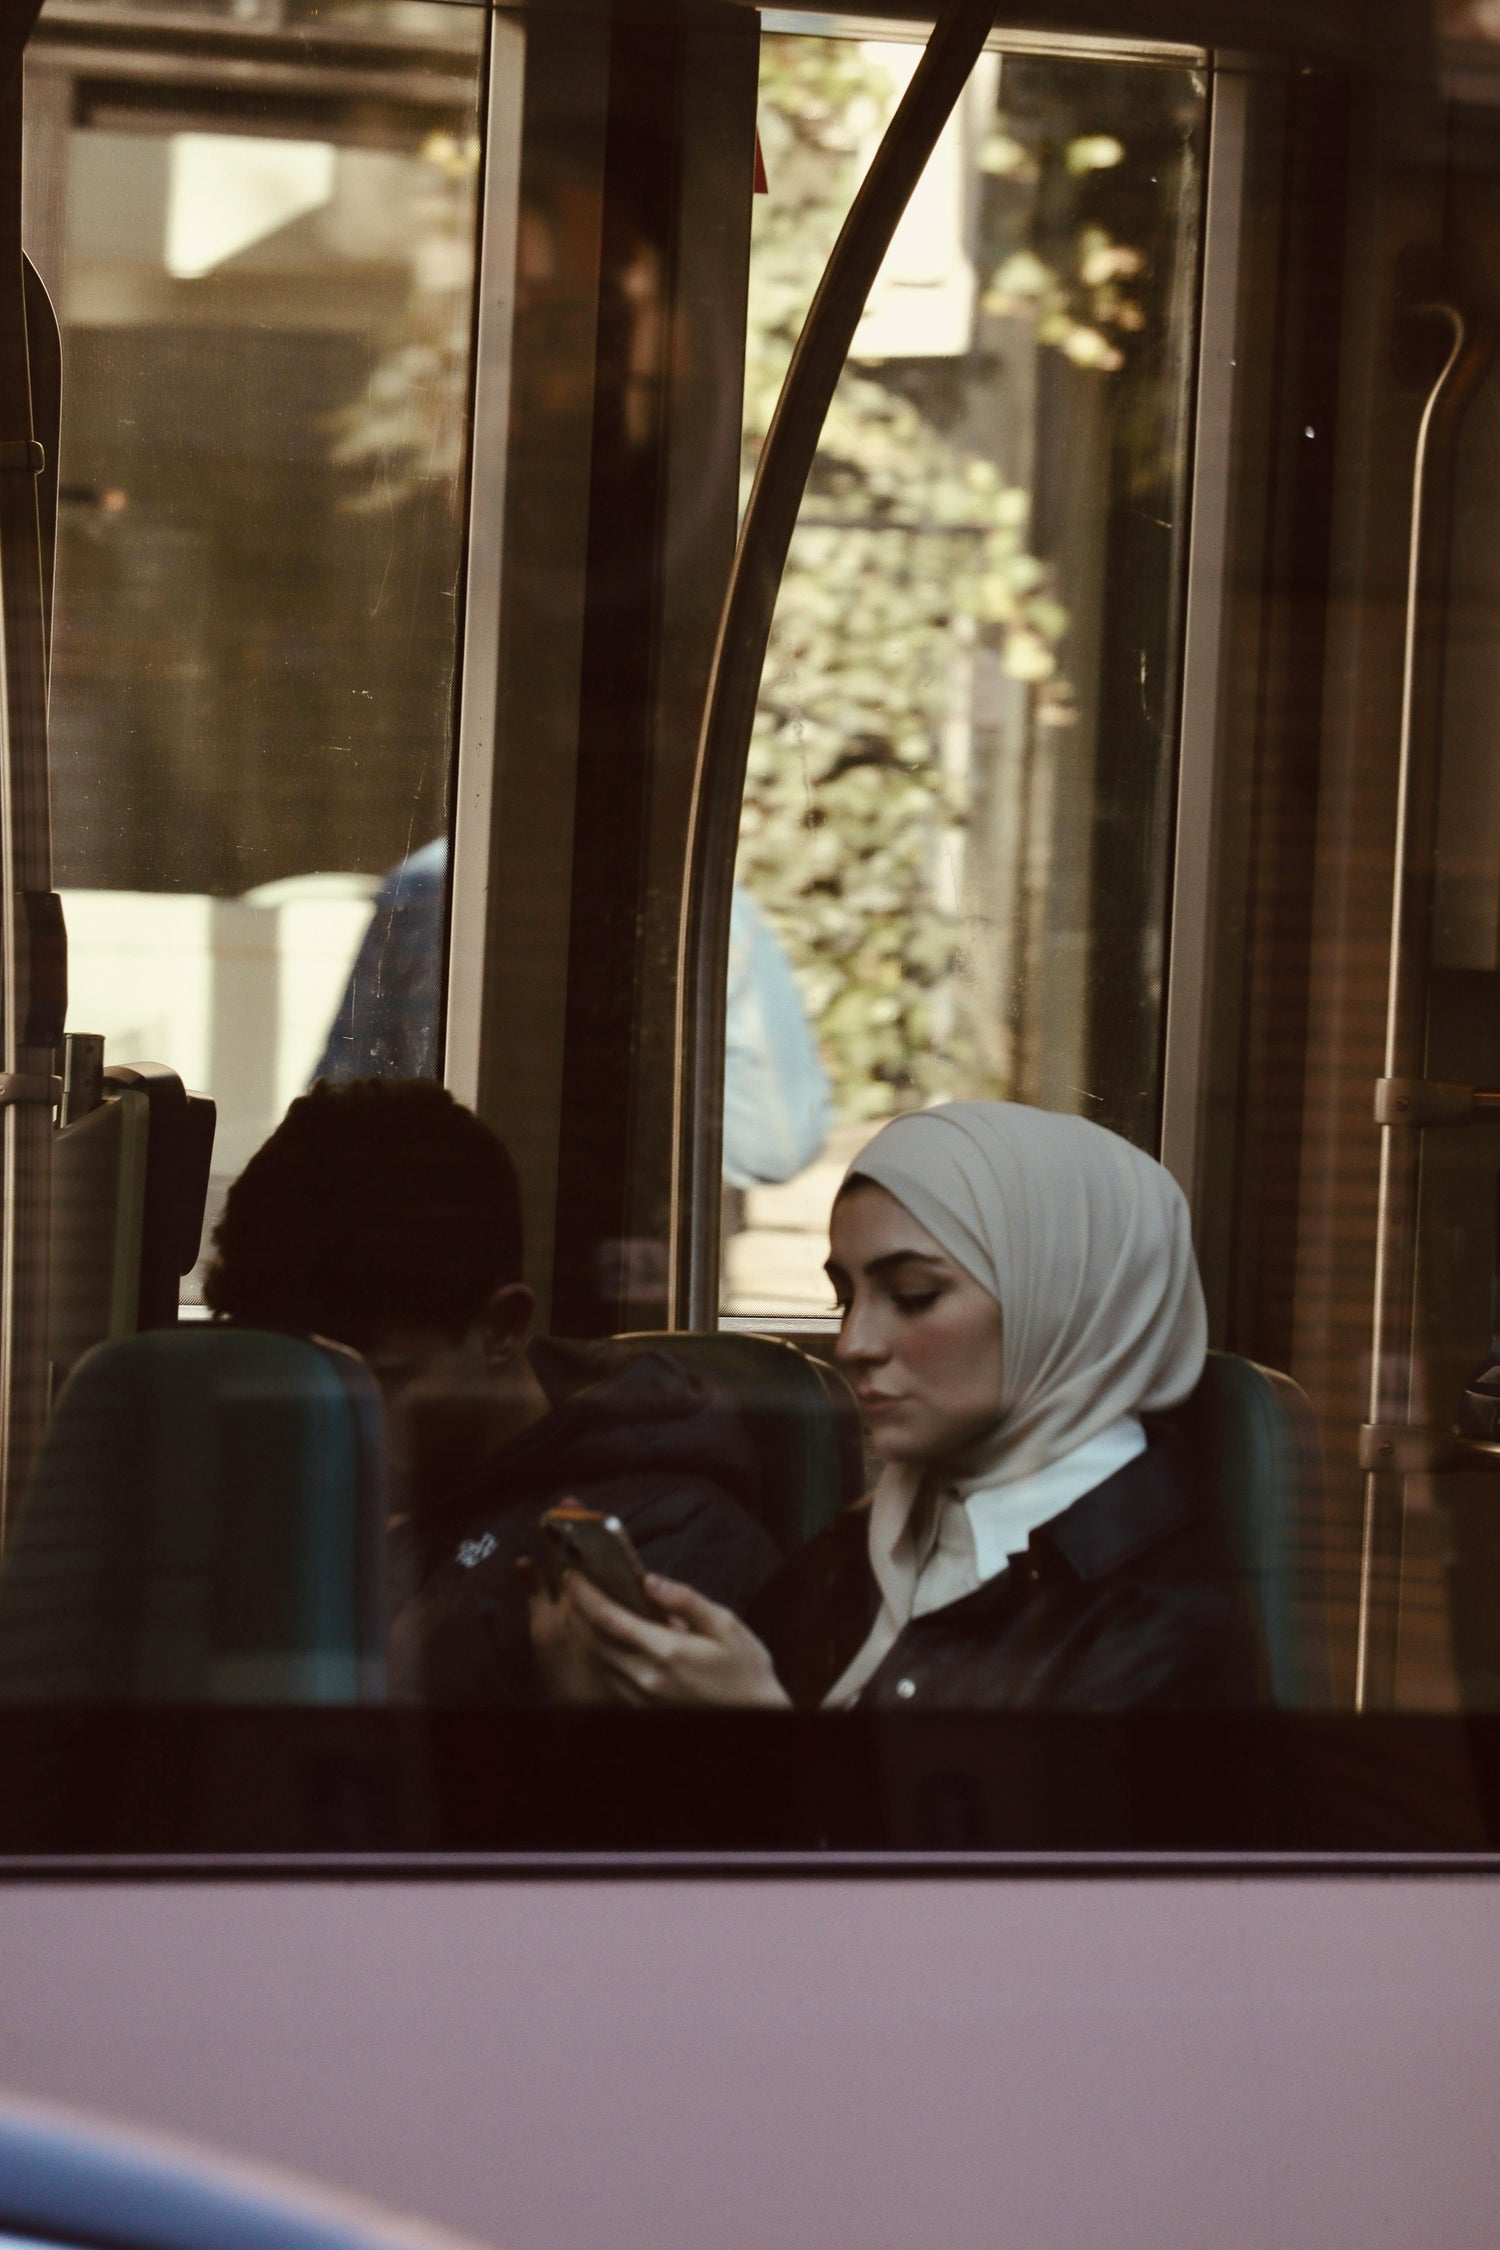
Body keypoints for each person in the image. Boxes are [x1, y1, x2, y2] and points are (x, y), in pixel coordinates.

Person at [526, 1100, 1266, 1711]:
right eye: (844, 1298)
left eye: (913, 1295)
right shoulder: (868, 1547)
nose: (853, 1344)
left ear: (1065, 1303)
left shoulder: (1169, 1619)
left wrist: (756, 1740)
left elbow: (991, 1886)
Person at [201, 1079, 779, 1702]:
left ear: (501, 1330)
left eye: (373, 1382)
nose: (323, 1427)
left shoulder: (668, 1545)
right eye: (291, 1383)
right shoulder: (278, 1504)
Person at [316, 845, 832, 1190]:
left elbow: (337, 1111)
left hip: (437, 1267)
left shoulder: (423, 885)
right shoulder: (699, 899)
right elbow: (777, 1144)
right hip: (630, 1276)